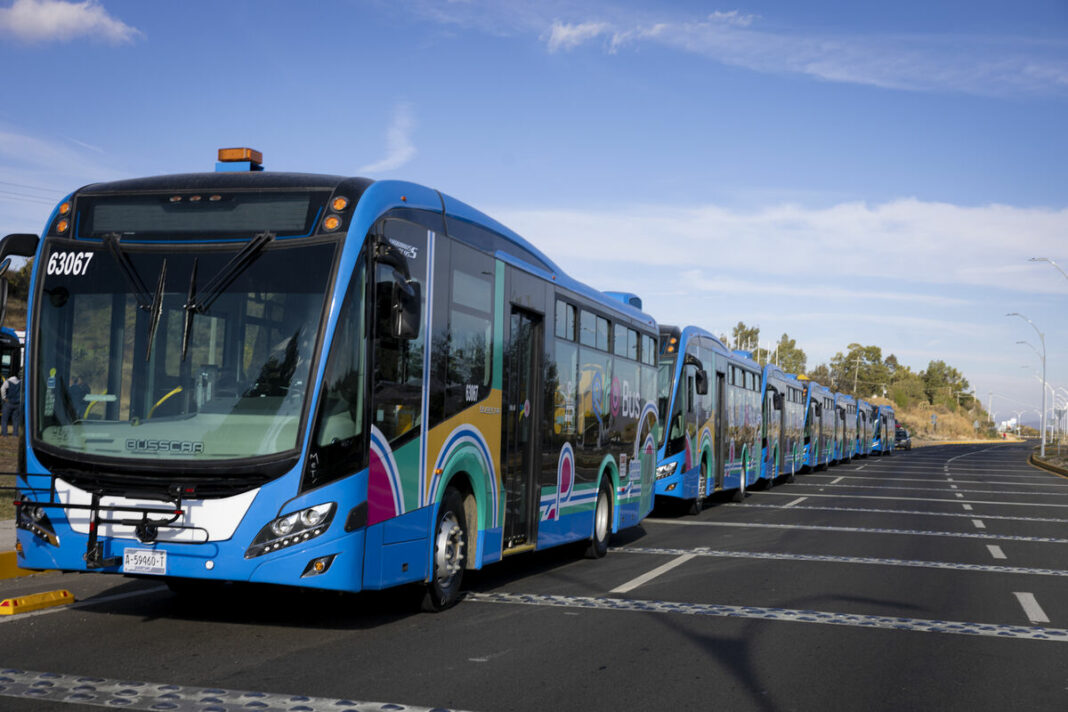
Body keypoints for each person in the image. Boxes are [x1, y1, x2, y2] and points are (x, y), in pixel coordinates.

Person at [1, 370, 22, 437]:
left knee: (4, 419)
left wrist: (4, 397)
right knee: (15, 420)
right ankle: (15, 434)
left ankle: (5, 434)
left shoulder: (7, 381)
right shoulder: (21, 382)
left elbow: (2, 389)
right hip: (17, 403)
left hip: (9, 403)